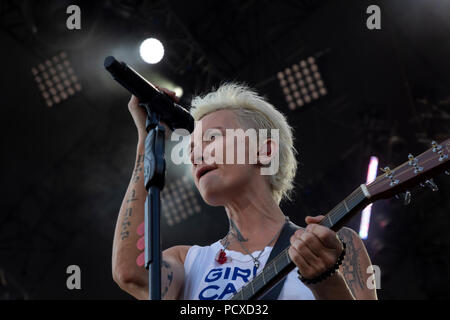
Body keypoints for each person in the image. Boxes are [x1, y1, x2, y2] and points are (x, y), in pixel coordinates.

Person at [112, 83, 377, 300]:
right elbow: (130, 273)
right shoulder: (188, 261)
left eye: (213, 138)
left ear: (264, 150)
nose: (195, 155)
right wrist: (147, 145)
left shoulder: (337, 245)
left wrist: (327, 282)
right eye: (191, 149)